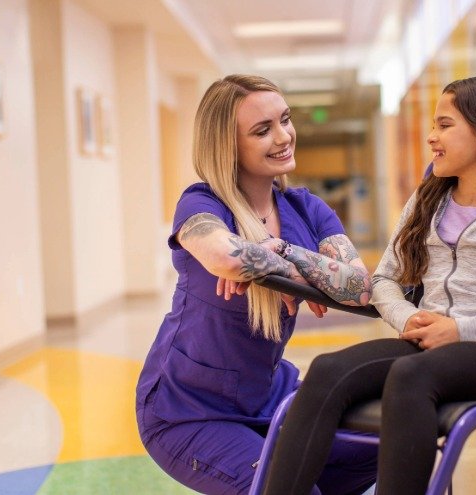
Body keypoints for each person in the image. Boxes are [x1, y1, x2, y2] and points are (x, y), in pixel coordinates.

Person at [261, 77, 476, 495]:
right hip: (429, 344)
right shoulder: (431, 197)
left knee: (410, 376)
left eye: (444, 125)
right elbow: (385, 280)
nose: (431, 137)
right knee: (326, 370)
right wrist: (410, 319)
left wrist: (460, 330)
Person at [135, 74, 377, 495]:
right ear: (229, 147)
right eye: (263, 131)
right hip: (189, 411)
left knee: (381, 445)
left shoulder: (307, 209)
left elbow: (358, 287)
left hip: (269, 397)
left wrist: (281, 254)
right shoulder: (201, 204)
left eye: (285, 120)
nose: (284, 136)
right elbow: (226, 256)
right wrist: (313, 277)